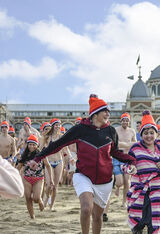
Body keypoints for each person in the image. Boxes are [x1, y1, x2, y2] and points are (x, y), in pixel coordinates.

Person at [29, 94, 136, 234]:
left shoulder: (110, 131)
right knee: (86, 208)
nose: (108, 114)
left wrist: (131, 160)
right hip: (83, 175)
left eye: (109, 111)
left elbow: (115, 152)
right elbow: (57, 144)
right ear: (95, 114)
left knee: (97, 217)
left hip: (105, 180)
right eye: (105, 111)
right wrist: (38, 158)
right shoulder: (80, 129)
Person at [127, 110, 160, 234]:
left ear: (156, 134)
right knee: (138, 223)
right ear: (141, 134)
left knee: (153, 222)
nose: (149, 136)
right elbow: (127, 165)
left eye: (151, 133)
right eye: (146, 133)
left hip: (155, 191)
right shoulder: (135, 148)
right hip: (139, 190)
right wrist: (130, 169)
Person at [17, 135, 53, 219]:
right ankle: (32, 216)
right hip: (26, 179)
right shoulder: (24, 155)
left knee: (36, 198)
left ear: (37, 145)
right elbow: (18, 167)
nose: (31, 146)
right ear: (27, 145)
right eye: (30, 144)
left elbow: (48, 166)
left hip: (39, 179)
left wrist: (50, 179)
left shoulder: (41, 154)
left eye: (34, 144)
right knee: (28, 198)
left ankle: (40, 201)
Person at [39, 118, 70, 210]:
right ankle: (45, 201)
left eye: (59, 125)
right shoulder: (46, 137)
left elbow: (66, 149)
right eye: (56, 125)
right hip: (49, 162)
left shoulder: (62, 137)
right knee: (49, 185)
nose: (58, 126)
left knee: (55, 186)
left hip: (59, 162)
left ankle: (51, 205)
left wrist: (70, 158)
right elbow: (40, 149)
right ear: (52, 126)